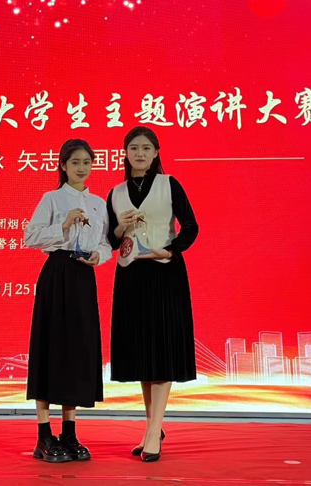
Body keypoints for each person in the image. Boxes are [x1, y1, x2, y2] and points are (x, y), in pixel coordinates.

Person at [106, 126, 199, 462]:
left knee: (162, 352)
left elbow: (191, 227)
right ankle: (152, 428)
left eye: (146, 148)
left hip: (164, 274)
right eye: (134, 148)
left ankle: (153, 431)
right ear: (125, 153)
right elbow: (111, 240)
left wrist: (170, 250)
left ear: (156, 152)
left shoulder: (169, 184)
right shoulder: (116, 193)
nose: (140, 153)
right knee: (143, 355)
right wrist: (121, 226)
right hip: (131, 277)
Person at [23, 139, 113, 463]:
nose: (81, 168)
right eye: (75, 162)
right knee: (51, 349)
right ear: (63, 165)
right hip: (57, 274)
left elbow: (106, 243)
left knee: (77, 351)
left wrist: (98, 255)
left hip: (83, 277)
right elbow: (30, 236)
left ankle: (69, 433)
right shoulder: (52, 198)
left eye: (87, 162)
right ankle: (44, 436)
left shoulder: (99, 204)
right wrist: (63, 224)